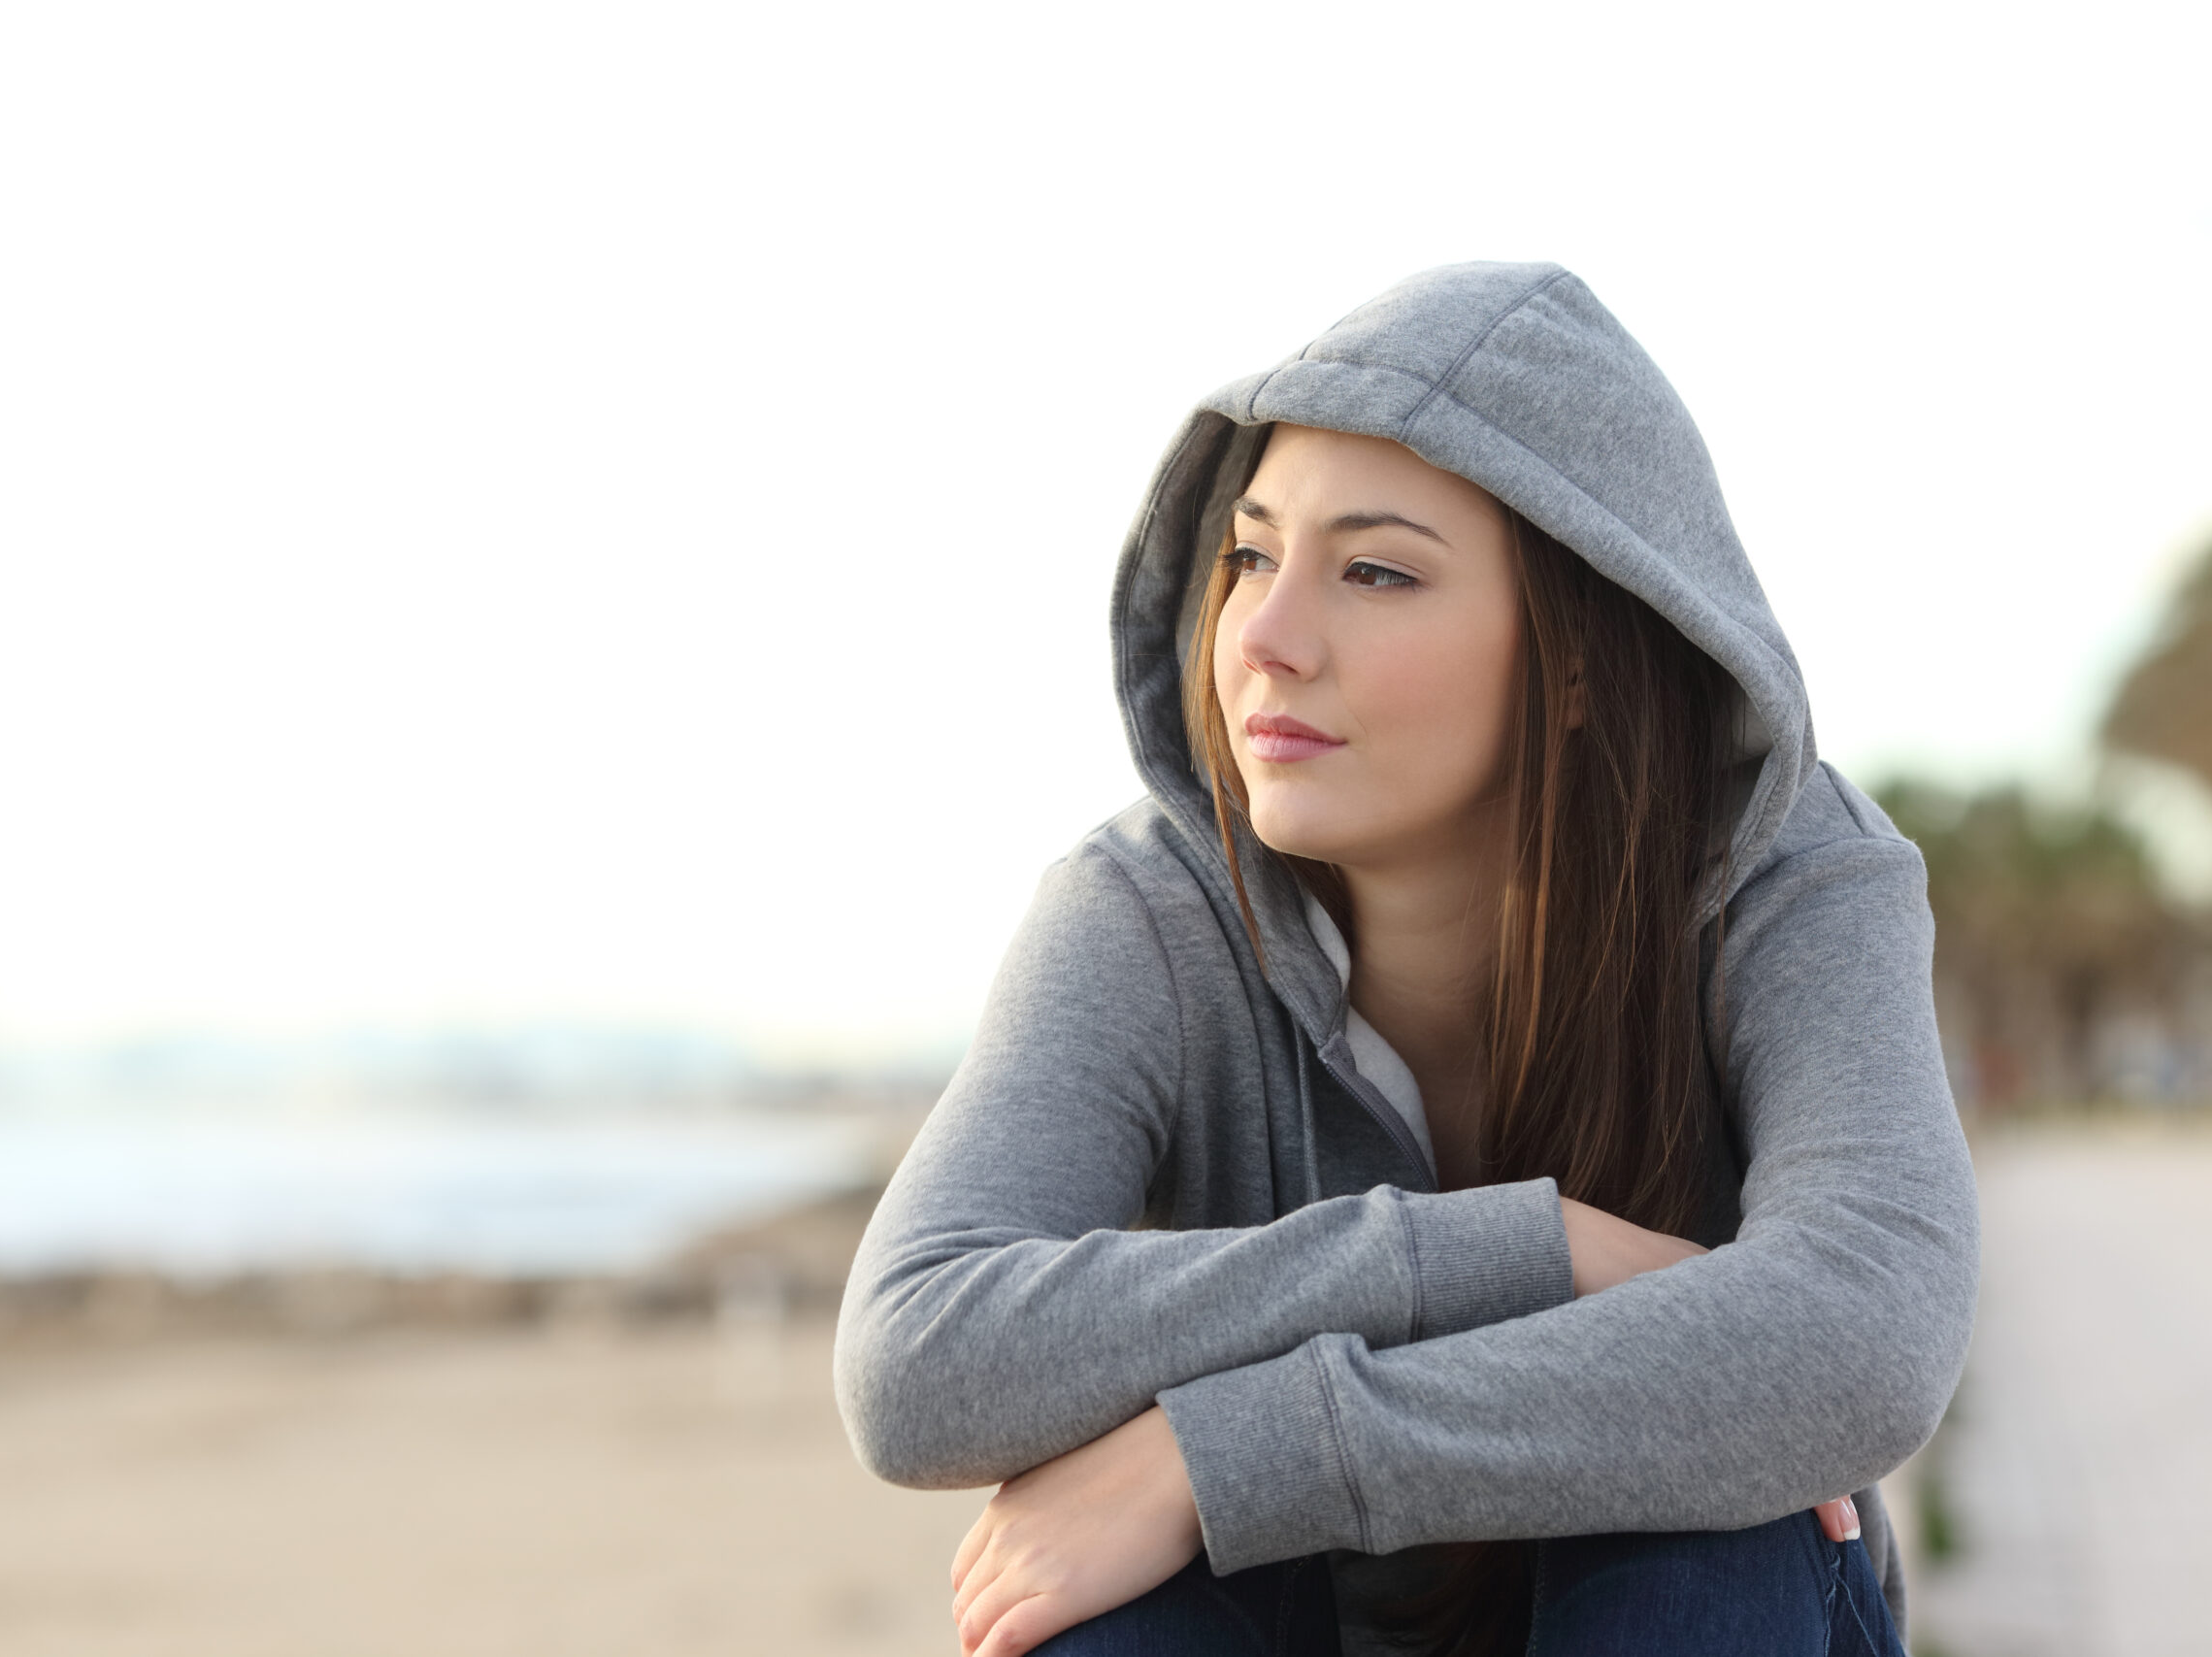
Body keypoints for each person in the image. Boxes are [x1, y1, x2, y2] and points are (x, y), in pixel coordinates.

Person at [833, 262, 1978, 1657]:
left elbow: (1862, 1335)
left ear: (1576, 654)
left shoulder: (1789, 878)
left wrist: (1225, 1454)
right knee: (1101, 1620)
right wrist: (1514, 1250)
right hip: (1296, 1620)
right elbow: (916, 1354)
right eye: (1252, 553)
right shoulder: (1149, 909)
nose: (1261, 636)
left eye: (1375, 571)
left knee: (1710, 1540)